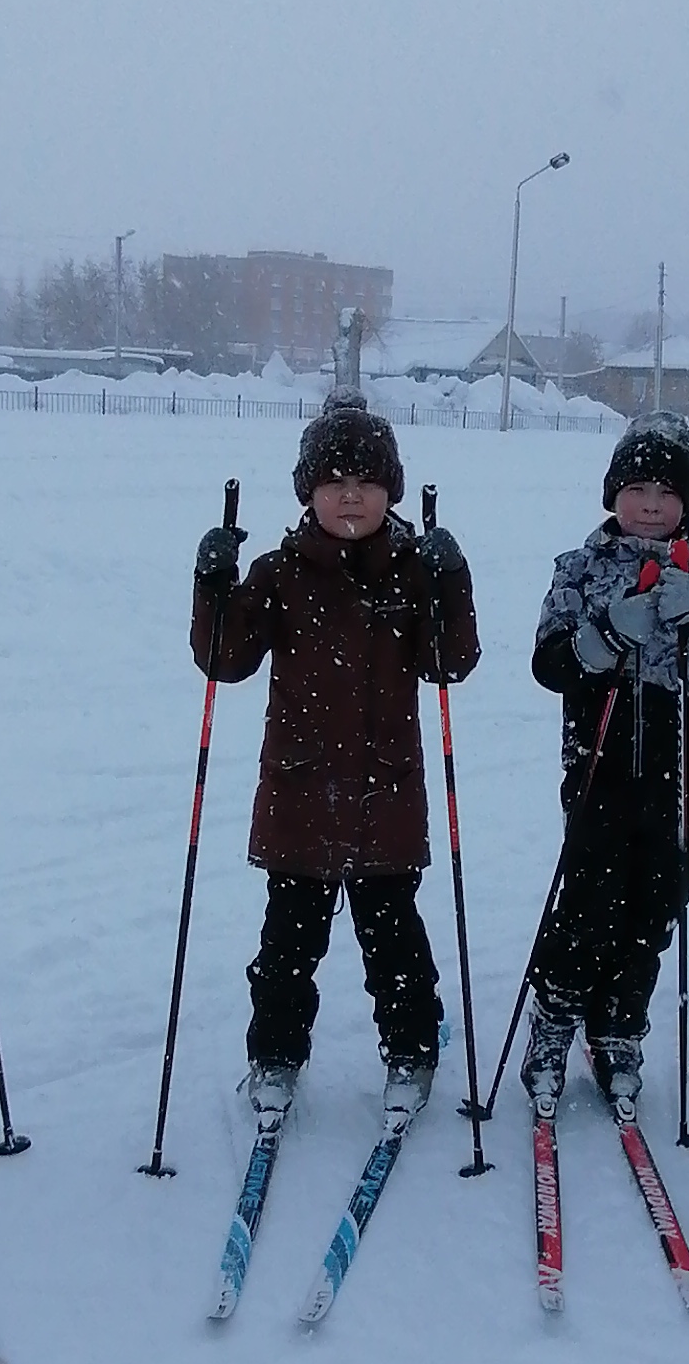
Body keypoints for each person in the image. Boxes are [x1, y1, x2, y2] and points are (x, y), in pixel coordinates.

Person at [192, 396, 479, 1127]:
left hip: (386, 791)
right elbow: (223, 660)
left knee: (394, 942)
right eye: (333, 480)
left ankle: (412, 1049)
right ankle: (277, 1055)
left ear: (392, 492)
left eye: (367, 481)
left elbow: (450, 663)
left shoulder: (412, 569)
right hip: (301, 791)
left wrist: (452, 582)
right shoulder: (280, 571)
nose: (351, 495)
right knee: (287, 946)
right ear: (307, 492)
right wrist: (213, 585)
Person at [522, 411, 689, 1116]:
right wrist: (608, 634)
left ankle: (619, 1025)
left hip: (684, 761)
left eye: (667, 491)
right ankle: (554, 1020)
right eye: (638, 487)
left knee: (658, 901)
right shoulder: (579, 569)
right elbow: (551, 664)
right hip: (601, 757)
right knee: (588, 897)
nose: (652, 503)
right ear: (613, 494)